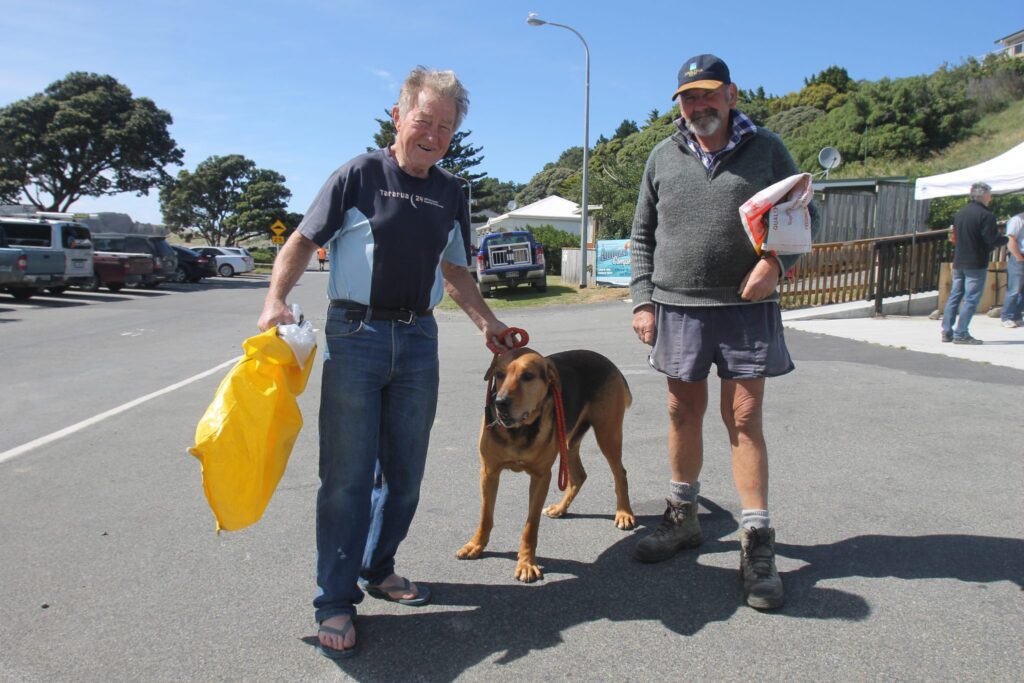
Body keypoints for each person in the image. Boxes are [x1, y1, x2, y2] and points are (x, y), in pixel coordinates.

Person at [257, 67, 512, 659]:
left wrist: (489, 324)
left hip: (419, 339)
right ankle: (334, 599)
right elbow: (299, 239)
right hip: (358, 333)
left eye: (446, 127)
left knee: (405, 473)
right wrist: (275, 299)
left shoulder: (451, 191)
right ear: (399, 117)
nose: (434, 135)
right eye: (424, 120)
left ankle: (379, 566)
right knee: (347, 476)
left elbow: (454, 271)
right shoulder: (358, 175)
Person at [628, 54, 819, 610]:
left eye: (708, 95)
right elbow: (641, 235)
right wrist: (643, 300)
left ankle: (757, 540)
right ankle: (684, 517)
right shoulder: (662, 156)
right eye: (688, 98)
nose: (698, 106)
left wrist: (776, 265)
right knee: (679, 412)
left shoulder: (768, 150)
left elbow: (804, 216)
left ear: (731, 94)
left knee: (742, 418)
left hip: (744, 308)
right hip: (677, 308)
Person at [940, 182, 1007, 344]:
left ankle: (947, 331)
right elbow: (990, 239)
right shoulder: (986, 215)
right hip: (976, 262)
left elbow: (954, 237)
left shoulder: (960, 214)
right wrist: (1005, 239)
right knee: (971, 299)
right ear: (983, 195)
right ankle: (961, 333)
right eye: (989, 194)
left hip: (959, 260)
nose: (990, 197)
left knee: (955, 296)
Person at [1000, 210, 1023, 329]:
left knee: (1022, 290)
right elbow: (1011, 239)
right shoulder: (1017, 220)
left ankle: (1017, 316)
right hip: (1019, 257)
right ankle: (1007, 317)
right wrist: (1018, 257)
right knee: (1014, 289)